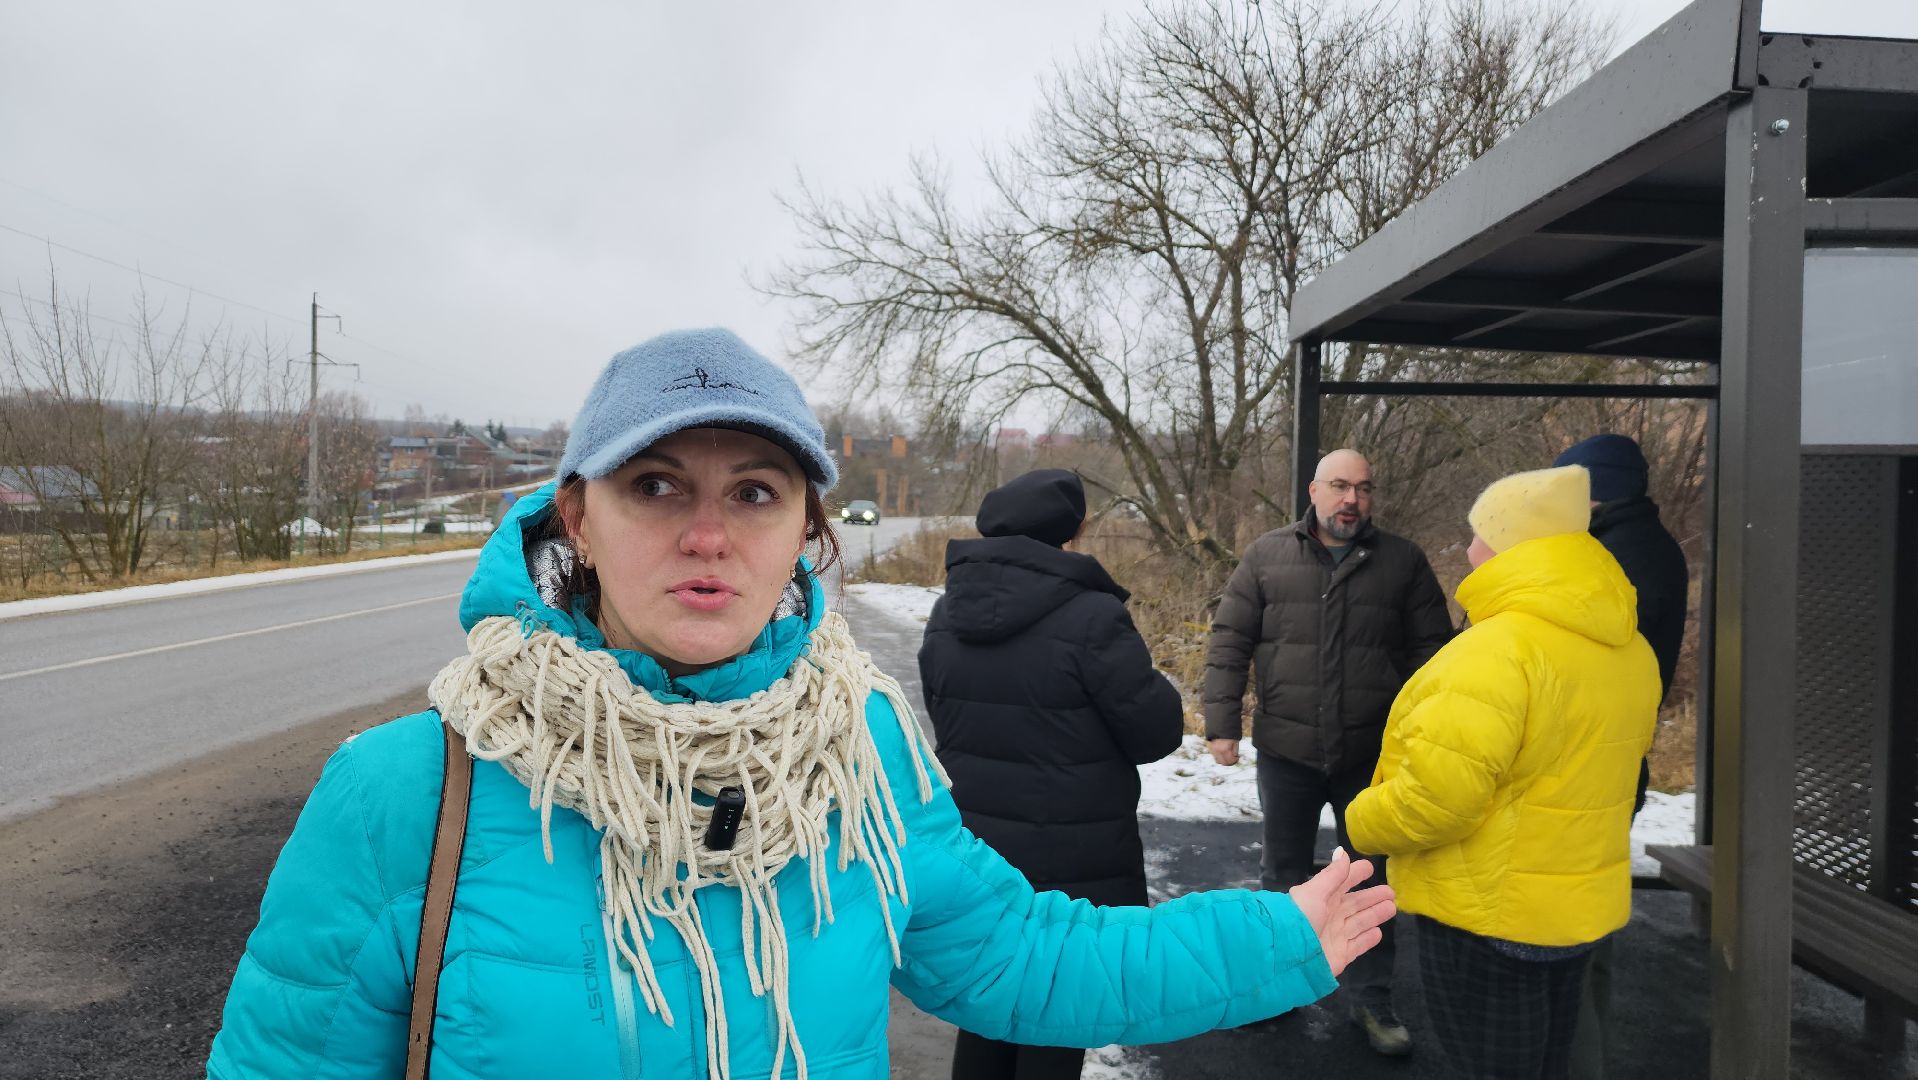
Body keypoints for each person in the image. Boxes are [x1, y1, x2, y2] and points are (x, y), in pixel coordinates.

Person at [206, 329, 1396, 1080]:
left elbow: (1021, 957)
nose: (709, 534)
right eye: (657, 484)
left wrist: (1275, 938)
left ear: (805, 534)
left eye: (757, 491)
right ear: (575, 516)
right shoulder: (409, 790)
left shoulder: (858, 755)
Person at [1346, 465, 1661, 1080]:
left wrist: (1361, 819)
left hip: (1486, 916)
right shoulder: (1628, 647)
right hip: (1575, 911)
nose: (1468, 549)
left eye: (1479, 533)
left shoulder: (1494, 652)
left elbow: (1437, 802)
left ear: (1510, 545)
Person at [919, 468, 1185, 1080]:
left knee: (988, 1007)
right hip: (1075, 857)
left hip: (979, 851)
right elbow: (1155, 734)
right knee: (1057, 1015)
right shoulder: (1092, 617)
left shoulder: (947, 612)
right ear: (1071, 534)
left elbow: (947, 721)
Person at [1201, 448, 1451, 1056]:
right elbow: (1230, 639)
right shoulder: (1266, 555)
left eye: (1363, 489)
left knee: (1370, 879)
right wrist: (1221, 722)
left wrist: (1423, 739)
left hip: (1371, 755)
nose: (1351, 500)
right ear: (1313, 490)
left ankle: (1372, 999)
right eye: (1340, 486)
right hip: (1287, 748)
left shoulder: (1403, 562)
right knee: (1281, 876)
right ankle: (1274, 989)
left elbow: (1434, 657)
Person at [1551, 434, 1689, 1080]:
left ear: (1592, 487)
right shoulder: (1644, 547)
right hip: (1612, 767)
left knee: (1570, 947)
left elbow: (1572, 662)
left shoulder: (1615, 559)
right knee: (1587, 935)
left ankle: (1576, 1065)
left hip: (1586, 772)